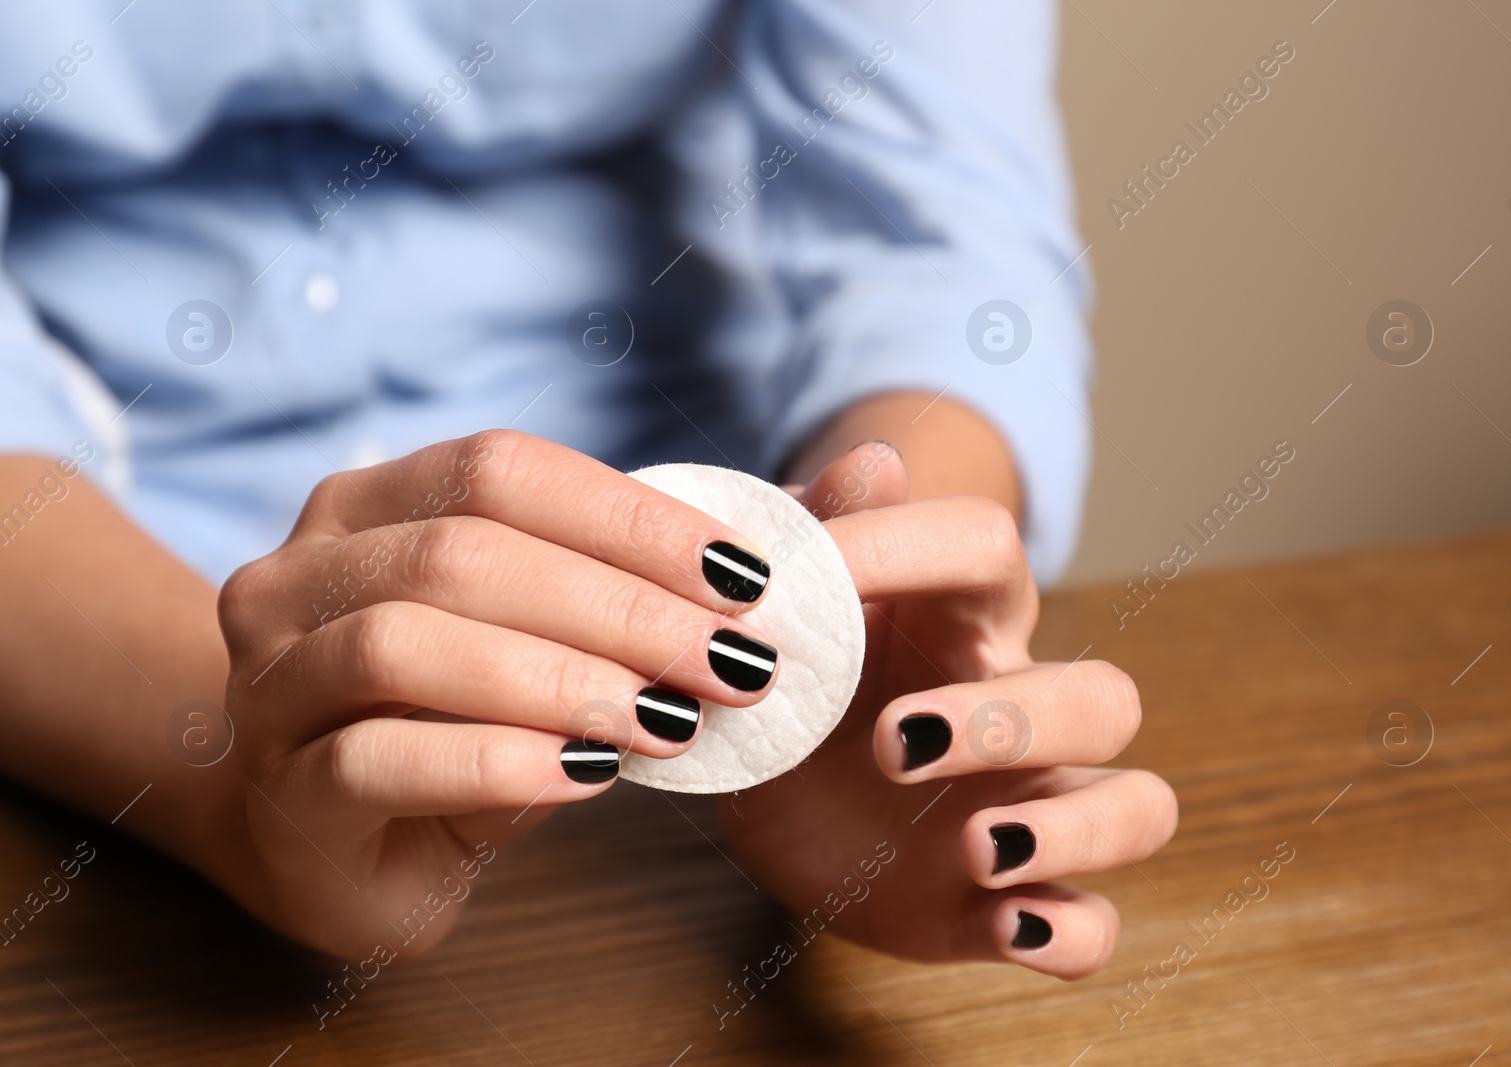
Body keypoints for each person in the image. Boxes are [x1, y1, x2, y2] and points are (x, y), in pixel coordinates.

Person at [0, 1, 1175, 982]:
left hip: (697, 596)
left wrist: (861, 631)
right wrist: (225, 766)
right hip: (90, 630)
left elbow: (938, 238)